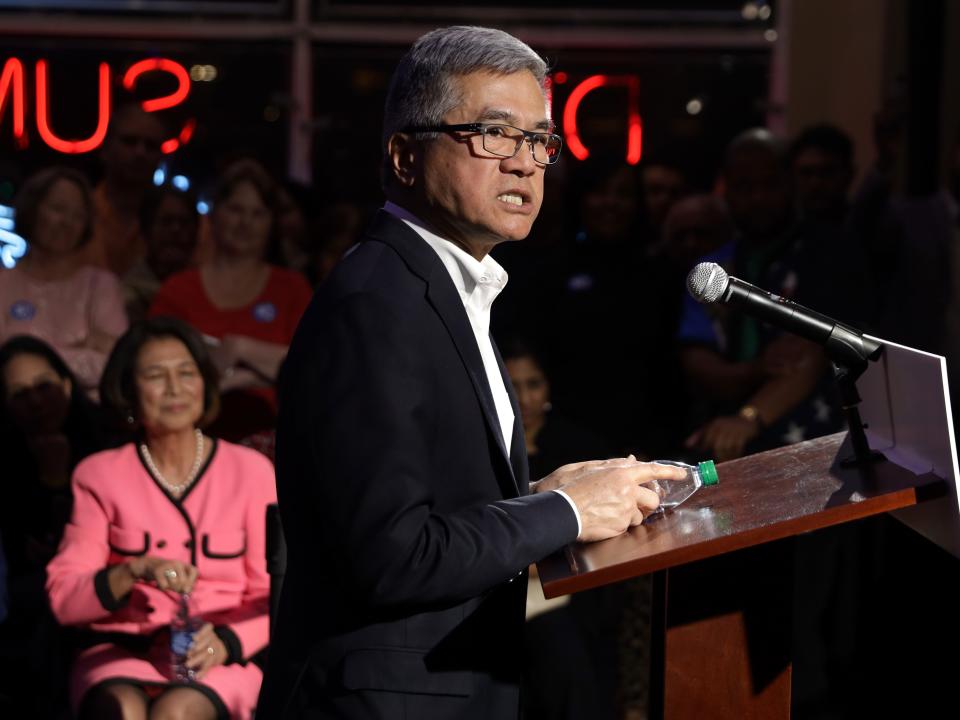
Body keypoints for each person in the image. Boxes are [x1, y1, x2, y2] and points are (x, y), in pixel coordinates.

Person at [257, 25, 685, 719]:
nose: (524, 163)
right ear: (403, 156)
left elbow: (432, 509)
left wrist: (540, 497)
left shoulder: (444, 288)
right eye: (494, 134)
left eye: (539, 140)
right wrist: (566, 512)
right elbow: (390, 554)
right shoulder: (376, 304)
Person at [45, 317, 277, 719]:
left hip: (222, 654)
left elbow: (274, 594)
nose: (174, 388)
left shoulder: (252, 471)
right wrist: (133, 570)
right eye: (156, 375)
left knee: (177, 712)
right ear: (128, 391)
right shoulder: (98, 475)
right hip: (120, 651)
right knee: (123, 711)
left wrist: (229, 642)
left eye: (186, 373)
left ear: (205, 383)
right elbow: (64, 598)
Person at [149, 159, 313, 440]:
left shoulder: (292, 288)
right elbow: (153, 365)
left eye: (258, 213)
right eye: (236, 210)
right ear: (214, 214)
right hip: (194, 437)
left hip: (276, 438)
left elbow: (314, 364)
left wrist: (239, 349)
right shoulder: (178, 289)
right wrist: (264, 371)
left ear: (271, 222)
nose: (245, 223)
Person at [0, 335, 109, 716]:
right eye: (19, 393)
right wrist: (50, 483)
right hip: (30, 593)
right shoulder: (7, 456)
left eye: (44, 385)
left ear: (66, 383)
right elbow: (24, 548)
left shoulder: (105, 440)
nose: (35, 401)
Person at [0, 166, 128, 392]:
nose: (67, 222)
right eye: (58, 209)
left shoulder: (101, 285)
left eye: (78, 215)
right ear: (33, 209)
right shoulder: (4, 283)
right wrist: (80, 349)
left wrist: (28, 360)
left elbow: (116, 365)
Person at [80, 104, 167, 276]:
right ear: (105, 149)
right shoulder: (78, 213)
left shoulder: (180, 224)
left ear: (160, 158)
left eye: (151, 146)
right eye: (129, 141)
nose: (140, 152)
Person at [123, 184, 200, 322]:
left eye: (184, 222)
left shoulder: (206, 292)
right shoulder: (126, 295)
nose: (176, 230)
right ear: (147, 230)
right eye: (166, 222)